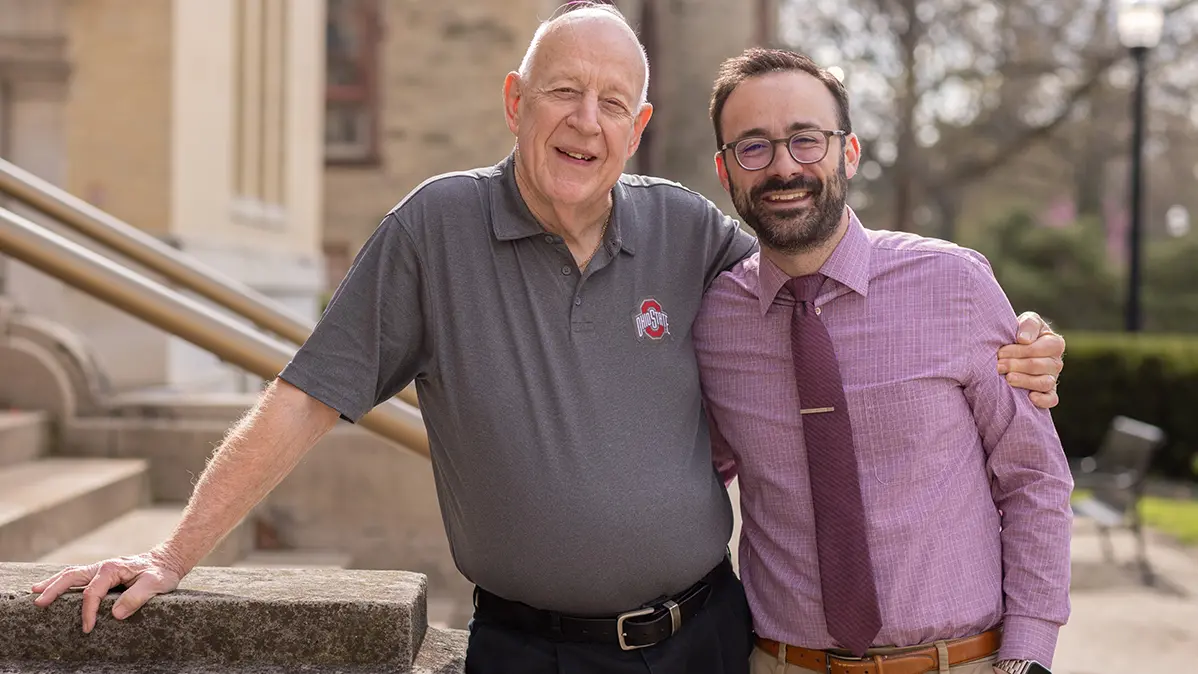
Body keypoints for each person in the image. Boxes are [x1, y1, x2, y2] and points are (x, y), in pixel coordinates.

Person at [30, 6, 1065, 674]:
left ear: (640, 124)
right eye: (562, 92)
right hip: (527, 647)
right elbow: (308, 393)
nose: (585, 119)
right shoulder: (433, 229)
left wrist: (1012, 348)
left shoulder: (689, 233)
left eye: (612, 102)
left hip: (709, 638)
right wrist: (172, 552)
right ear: (516, 102)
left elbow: (821, 288)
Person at [693, 48, 1072, 674]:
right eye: (753, 147)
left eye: (806, 140)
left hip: (963, 663)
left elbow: (1034, 478)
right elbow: (691, 472)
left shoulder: (955, 284)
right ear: (725, 169)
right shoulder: (713, 320)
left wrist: (1028, 657)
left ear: (849, 152)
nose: (784, 166)